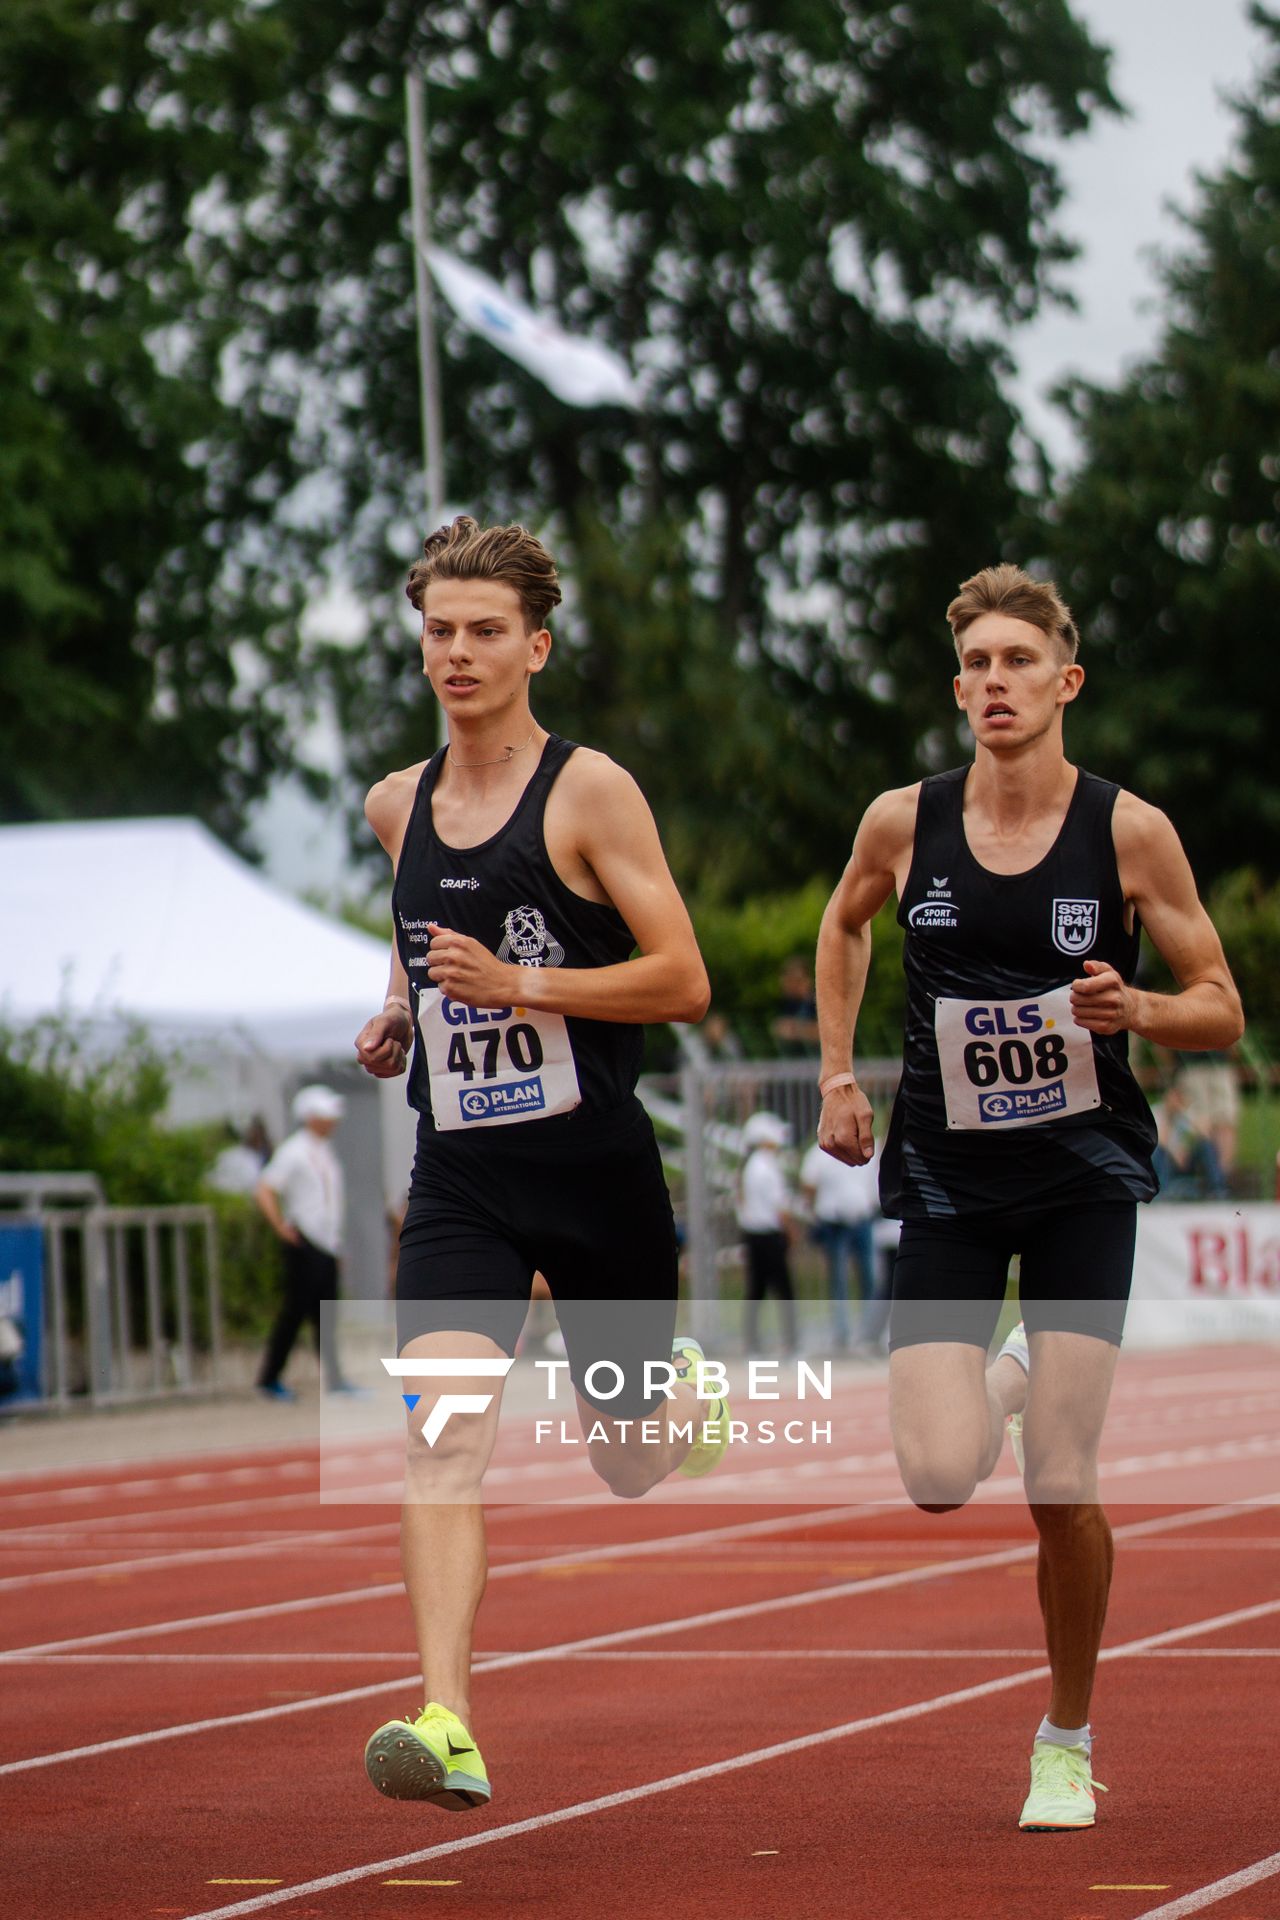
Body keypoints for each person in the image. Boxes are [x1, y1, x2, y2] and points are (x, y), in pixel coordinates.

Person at [815, 562, 1243, 1831]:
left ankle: (1065, 1733)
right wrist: (837, 1074)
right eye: (976, 668)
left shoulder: (1126, 831)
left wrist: (1140, 1007)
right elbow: (843, 926)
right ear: (957, 690)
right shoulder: (904, 822)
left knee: (1059, 1474)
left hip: (1080, 1174)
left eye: (1019, 664)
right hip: (944, 1172)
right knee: (941, 1476)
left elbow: (1219, 1002)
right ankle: (1004, 1370)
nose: (995, 685)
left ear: (1064, 682)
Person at [352, 516, 723, 1813]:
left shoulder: (589, 792)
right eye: (440, 630)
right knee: (440, 1441)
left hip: (598, 1177)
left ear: (536, 646)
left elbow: (685, 978)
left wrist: (521, 980)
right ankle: (446, 1715)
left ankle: (676, 1405)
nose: (457, 652)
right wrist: (402, 1011)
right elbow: (417, 933)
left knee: (624, 1458)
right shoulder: (395, 802)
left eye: (485, 631)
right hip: (463, 1181)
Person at [254, 1086, 349, 1400]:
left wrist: (335, 1243)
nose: (332, 1121)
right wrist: (282, 1227)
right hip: (305, 1242)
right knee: (295, 1312)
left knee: (327, 1315)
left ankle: (334, 1380)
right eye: (325, 1115)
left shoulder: (325, 1150)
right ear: (310, 1117)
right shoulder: (294, 1150)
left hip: (326, 1244)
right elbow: (265, 1188)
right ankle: (270, 1378)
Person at [800, 1132, 879, 1350]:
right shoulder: (820, 1152)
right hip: (834, 1221)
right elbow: (808, 1184)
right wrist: (815, 1211)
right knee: (839, 1280)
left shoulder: (865, 1147)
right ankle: (841, 1332)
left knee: (868, 1278)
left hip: (861, 1217)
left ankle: (868, 1332)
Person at [737, 1110, 798, 1356]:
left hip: (752, 1235)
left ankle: (751, 1342)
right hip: (769, 1236)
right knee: (784, 1290)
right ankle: (790, 1342)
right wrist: (792, 1232)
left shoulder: (749, 1166)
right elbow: (780, 1206)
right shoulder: (767, 1165)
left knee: (756, 1289)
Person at [772, 954, 820, 1055]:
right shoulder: (789, 1003)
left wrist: (797, 1030)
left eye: (795, 980)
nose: (790, 985)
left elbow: (828, 1033)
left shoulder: (817, 1001)